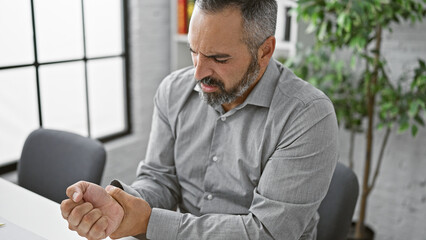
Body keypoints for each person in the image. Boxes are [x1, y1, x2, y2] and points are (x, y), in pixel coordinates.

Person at [60, 0, 339, 239]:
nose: (198, 73)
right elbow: (160, 180)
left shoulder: (307, 115)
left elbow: (266, 233)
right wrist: (121, 205)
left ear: (264, 51)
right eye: (195, 51)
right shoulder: (173, 91)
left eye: (218, 58)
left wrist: (149, 222)